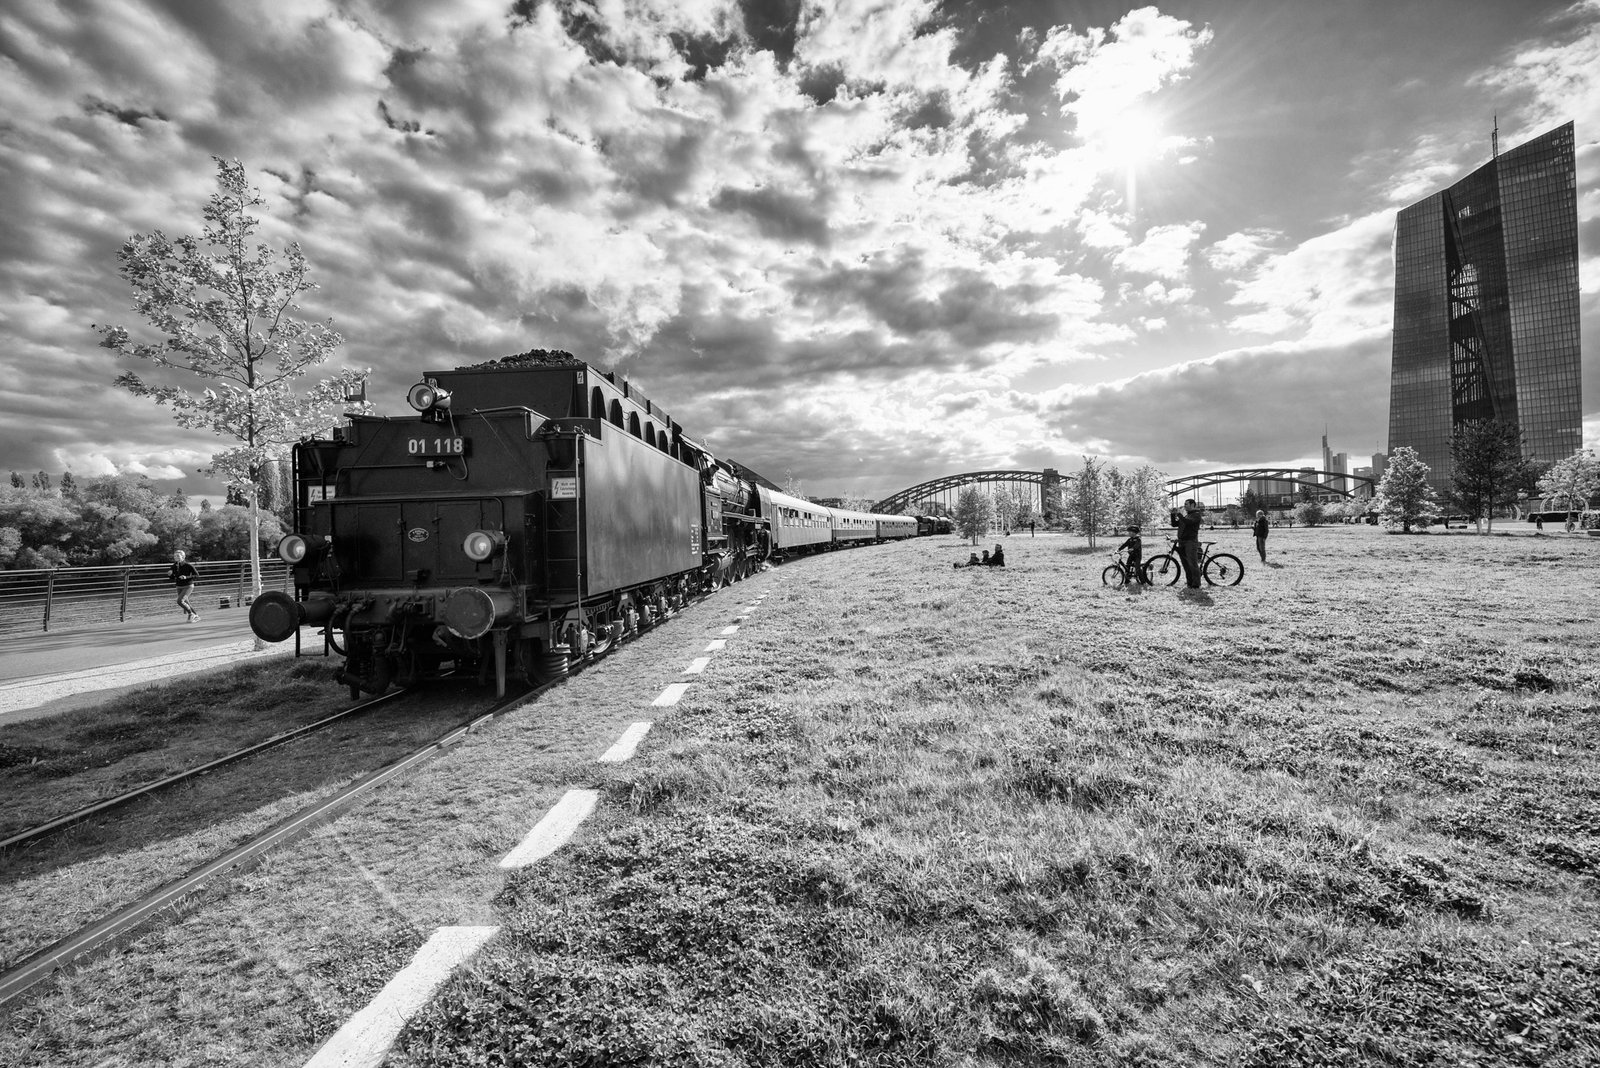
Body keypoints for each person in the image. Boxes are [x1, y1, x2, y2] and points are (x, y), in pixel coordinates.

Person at [1170, 499, 1203, 589]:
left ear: (1193, 505)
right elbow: (1174, 524)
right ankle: (1190, 582)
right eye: (1184, 504)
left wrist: (1179, 514)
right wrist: (1173, 514)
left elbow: (1188, 522)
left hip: (1190, 542)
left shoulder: (1196, 515)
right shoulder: (1187, 515)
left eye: (1186, 504)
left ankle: (1196, 584)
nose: (1184, 506)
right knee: (1185, 564)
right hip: (1182, 541)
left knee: (1192, 563)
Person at [168, 550, 200, 622]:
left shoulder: (188, 566)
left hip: (188, 586)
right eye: (175, 556)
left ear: (183, 557)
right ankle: (196, 616)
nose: (176, 557)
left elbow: (197, 575)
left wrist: (186, 577)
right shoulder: (174, 566)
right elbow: (173, 577)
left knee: (180, 601)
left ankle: (191, 614)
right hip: (179, 586)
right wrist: (170, 575)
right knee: (186, 603)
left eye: (178, 556)